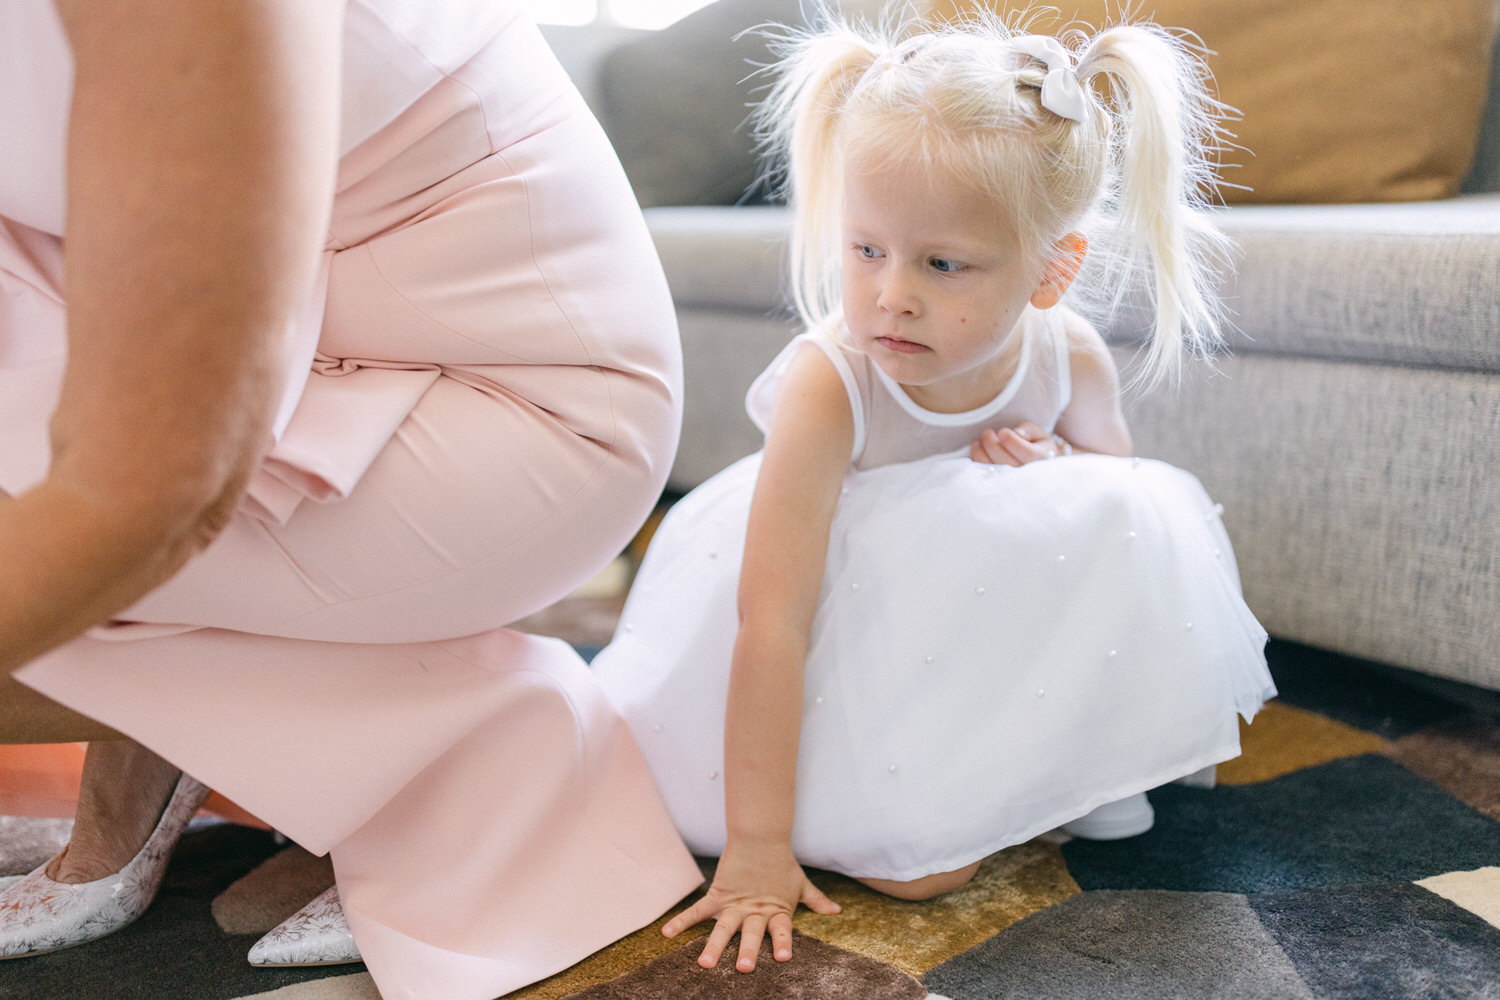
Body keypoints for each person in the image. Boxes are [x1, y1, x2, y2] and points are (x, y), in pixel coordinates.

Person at [0, 1, 704, 996]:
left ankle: (490, 738)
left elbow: (155, 480)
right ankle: (186, 747)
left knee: (59, 557)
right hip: (246, 323)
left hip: (502, 391)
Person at [589, 8, 1277, 974]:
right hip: (825, 627)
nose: (889, 296)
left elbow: (1115, 516)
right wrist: (755, 847)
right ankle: (959, 787)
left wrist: (1054, 470)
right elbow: (771, 620)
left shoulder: (1069, 355)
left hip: (960, 628)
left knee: (1129, 504)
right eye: (866, 250)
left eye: (941, 264)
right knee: (925, 873)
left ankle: (1054, 761)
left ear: (1053, 271)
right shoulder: (835, 381)